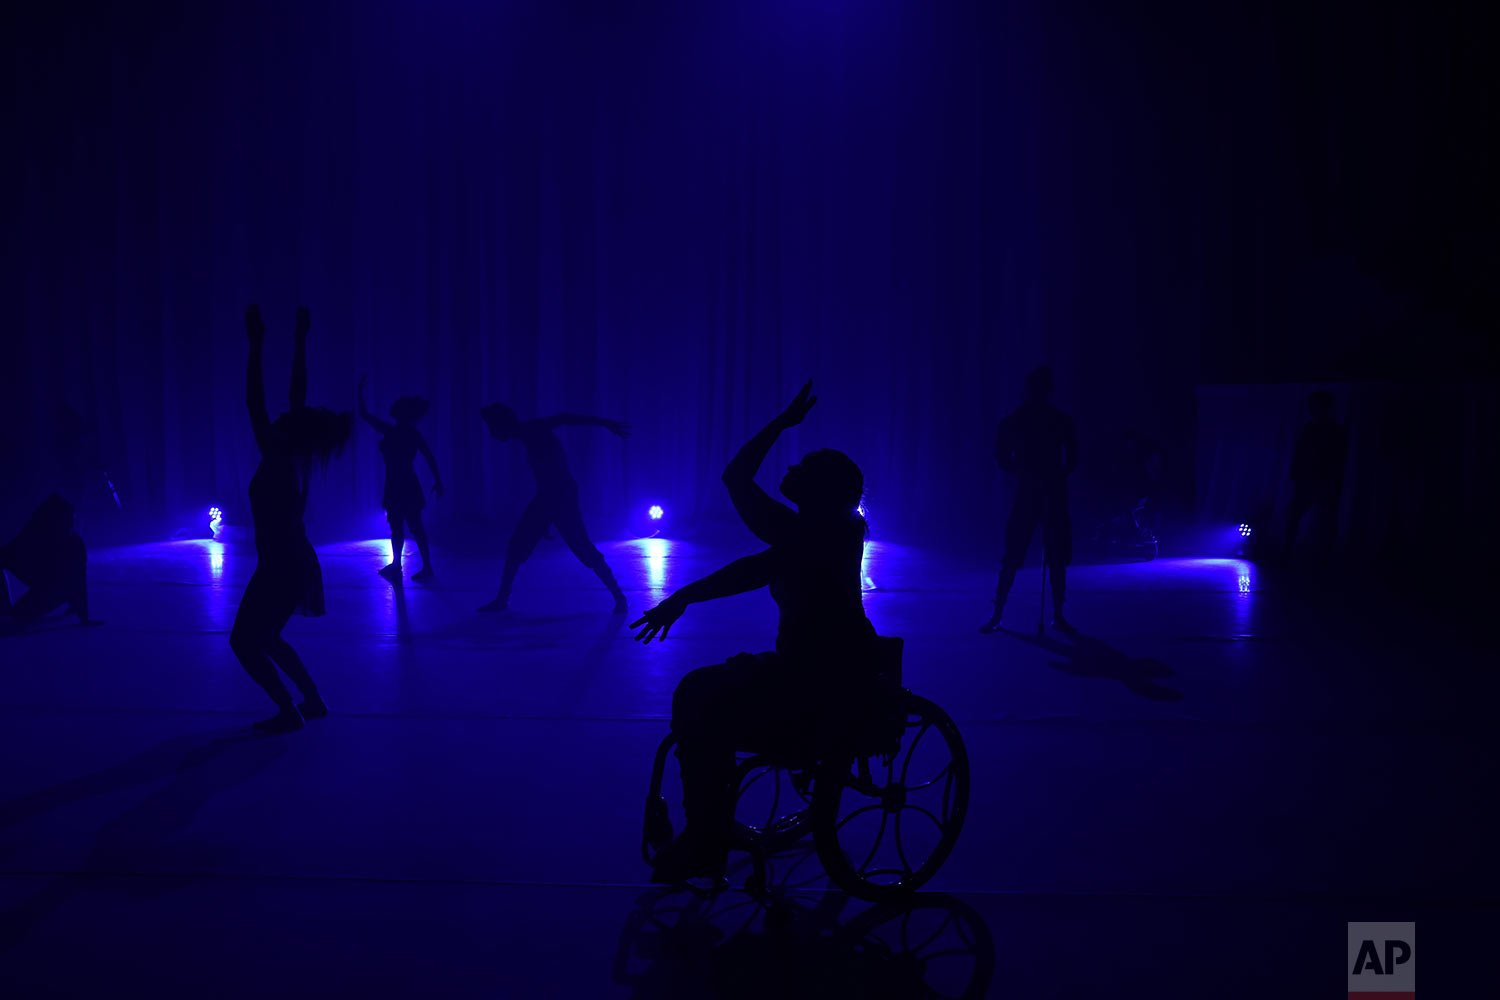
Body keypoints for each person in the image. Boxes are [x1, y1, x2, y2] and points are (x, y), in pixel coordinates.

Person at [631, 381, 876, 883]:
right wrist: (782, 423)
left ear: (823, 492)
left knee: (701, 699)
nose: (792, 470)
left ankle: (704, 834)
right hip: (811, 668)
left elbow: (741, 505)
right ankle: (708, 828)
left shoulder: (820, 533)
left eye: (804, 471)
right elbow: (742, 499)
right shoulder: (823, 530)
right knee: (699, 693)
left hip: (821, 680)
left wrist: (682, 597)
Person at [232, 305, 351, 733]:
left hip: (283, 564)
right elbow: (294, 400)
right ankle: (311, 700)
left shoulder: (281, 455)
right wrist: (300, 339)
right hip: (289, 560)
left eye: (284, 421)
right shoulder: (294, 455)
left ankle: (289, 711)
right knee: (265, 638)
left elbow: (255, 402)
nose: (279, 419)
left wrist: (257, 344)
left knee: (244, 642)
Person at [477, 402, 629, 613]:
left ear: (502, 425)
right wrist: (544, 518)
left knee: (581, 547)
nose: (492, 433)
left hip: (559, 496)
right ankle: (502, 600)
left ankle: (619, 597)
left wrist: (604, 423)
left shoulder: (532, 429)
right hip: (549, 497)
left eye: (493, 427)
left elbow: (564, 417)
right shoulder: (527, 434)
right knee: (517, 548)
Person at [980, 366, 1079, 635]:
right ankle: (1002, 613)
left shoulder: (1027, 420)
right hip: (1036, 492)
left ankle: (1010, 613)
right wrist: (1037, 474)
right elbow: (1003, 458)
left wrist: (1029, 473)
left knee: (1050, 555)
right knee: (1020, 554)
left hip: (1041, 493)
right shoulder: (1028, 420)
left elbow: (1071, 457)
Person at [358, 377, 444, 584]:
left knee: (407, 526)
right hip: (402, 482)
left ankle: (415, 566)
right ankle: (405, 565)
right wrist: (438, 481)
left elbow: (365, 415)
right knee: (407, 526)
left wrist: (360, 391)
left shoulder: (397, 432)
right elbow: (429, 457)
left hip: (400, 483)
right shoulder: (405, 433)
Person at [0, 493, 98, 628]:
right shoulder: (35, 537)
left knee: (20, 612)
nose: (71, 523)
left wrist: (82, 614)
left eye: (70, 519)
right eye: (68, 519)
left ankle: (11, 610)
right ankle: (8, 609)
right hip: (47, 585)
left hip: (53, 590)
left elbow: (78, 579)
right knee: (19, 612)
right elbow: (7, 554)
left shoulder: (73, 544)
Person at [1282, 390, 1347, 565]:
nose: (1313, 410)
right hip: (1309, 480)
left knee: (1323, 521)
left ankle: (1321, 558)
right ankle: (1291, 553)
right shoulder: (1311, 429)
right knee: (1297, 517)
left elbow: (1337, 459)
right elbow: (1301, 453)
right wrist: (1295, 473)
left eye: (1316, 406)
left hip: (1322, 481)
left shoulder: (1333, 431)